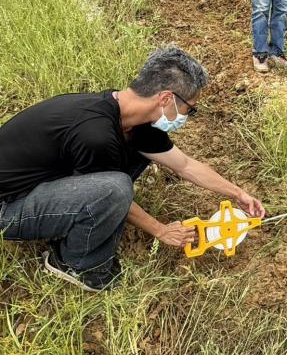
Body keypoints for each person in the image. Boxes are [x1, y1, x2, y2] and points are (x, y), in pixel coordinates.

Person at [0, 46, 266, 292]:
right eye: (189, 109)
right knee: (115, 188)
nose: (187, 117)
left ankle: (79, 228)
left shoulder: (131, 120)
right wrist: (160, 229)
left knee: (128, 168)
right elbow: (111, 191)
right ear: (166, 98)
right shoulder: (95, 133)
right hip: (7, 208)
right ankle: (73, 263)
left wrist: (238, 194)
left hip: (40, 185)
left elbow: (185, 165)